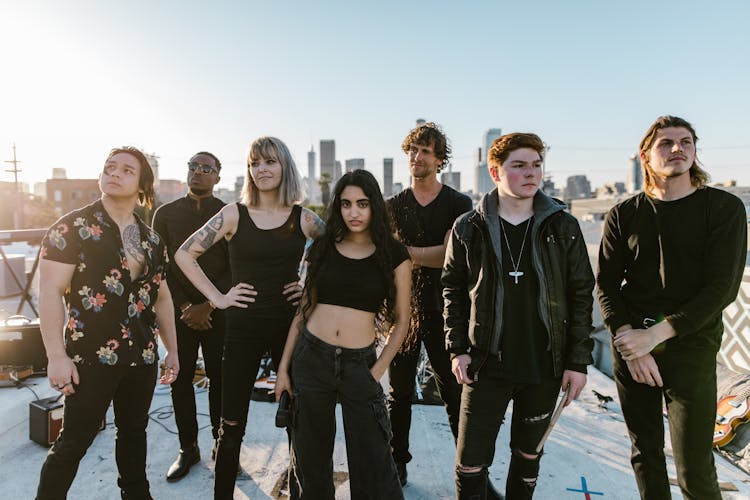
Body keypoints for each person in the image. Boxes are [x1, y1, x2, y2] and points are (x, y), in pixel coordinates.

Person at [597, 115, 746, 499]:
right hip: (632, 344)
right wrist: (629, 338)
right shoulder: (624, 214)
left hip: (691, 344)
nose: (677, 149)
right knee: (645, 453)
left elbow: (722, 288)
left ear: (695, 151)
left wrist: (656, 335)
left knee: (694, 464)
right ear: (645, 156)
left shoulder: (723, 208)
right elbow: (607, 284)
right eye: (666, 143)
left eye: (686, 141)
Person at [443, 132, 594, 499]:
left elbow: (581, 295)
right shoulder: (469, 227)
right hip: (485, 364)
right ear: (495, 172)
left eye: (537, 165)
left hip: (543, 366)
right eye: (519, 166)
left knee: (528, 456)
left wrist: (578, 362)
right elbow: (453, 291)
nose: (531, 173)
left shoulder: (563, 225)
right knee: (470, 463)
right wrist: (457, 348)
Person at [174, 136, 323, 500]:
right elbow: (183, 255)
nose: (262, 169)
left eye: (270, 162)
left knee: (297, 423)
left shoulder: (303, 218)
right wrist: (218, 298)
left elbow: (341, 250)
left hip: (289, 330)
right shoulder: (232, 214)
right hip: (241, 331)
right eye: (255, 163)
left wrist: (310, 289)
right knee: (231, 426)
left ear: (284, 166)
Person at [36, 146, 179, 500]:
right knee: (74, 443)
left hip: (142, 355)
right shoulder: (71, 228)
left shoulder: (152, 240)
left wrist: (172, 350)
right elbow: (50, 292)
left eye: (126, 170)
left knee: (134, 435)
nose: (114, 173)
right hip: (89, 357)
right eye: (109, 167)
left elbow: (162, 297)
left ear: (142, 184)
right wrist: (56, 356)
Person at [275, 169, 412, 499]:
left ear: (374, 206)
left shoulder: (394, 254)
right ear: (337, 207)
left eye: (362, 204)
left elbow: (403, 321)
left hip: (359, 365)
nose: (354, 212)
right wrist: (283, 369)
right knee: (310, 462)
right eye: (346, 204)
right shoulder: (323, 247)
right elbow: (303, 311)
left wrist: (377, 371)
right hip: (311, 358)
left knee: (374, 464)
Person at [386, 122, 472, 487]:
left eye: (425, 151)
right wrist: (425, 254)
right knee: (398, 394)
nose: (416, 157)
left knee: (455, 394)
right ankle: (396, 464)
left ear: (440, 160)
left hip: (448, 312)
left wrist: (408, 253)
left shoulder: (459, 203)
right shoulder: (392, 205)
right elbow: (387, 256)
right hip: (402, 311)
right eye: (413, 150)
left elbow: (454, 257)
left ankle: (468, 470)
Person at [152, 151, 231, 481]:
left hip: (218, 311)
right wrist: (186, 306)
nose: (198, 173)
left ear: (217, 177)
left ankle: (221, 447)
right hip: (179, 312)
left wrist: (209, 304)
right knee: (180, 380)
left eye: (206, 169)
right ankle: (188, 448)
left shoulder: (229, 214)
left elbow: (235, 267)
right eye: (193, 167)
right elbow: (162, 266)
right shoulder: (165, 214)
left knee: (221, 380)